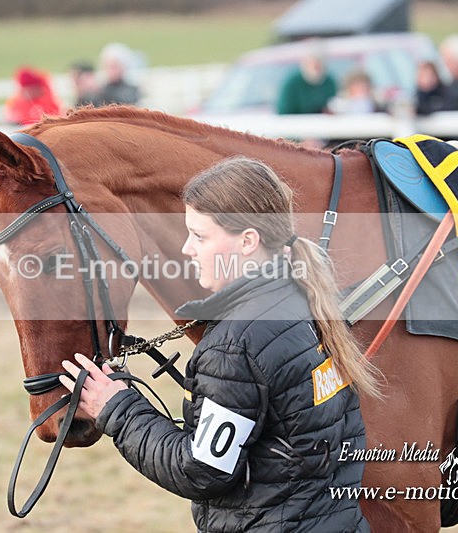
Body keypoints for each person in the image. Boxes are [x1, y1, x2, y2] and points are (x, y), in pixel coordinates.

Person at [59, 157, 379, 532]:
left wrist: (116, 408)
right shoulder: (304, 294)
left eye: (199, 236)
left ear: (247, 241)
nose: (187, 249)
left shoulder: (236, 344)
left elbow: (200, 470)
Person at [276, 50, 337, 115]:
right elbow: (284, 111)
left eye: (319, 65)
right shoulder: (292, 83)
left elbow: (333, 104)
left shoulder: (329, 82)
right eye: (314, 65)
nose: (317, 69)